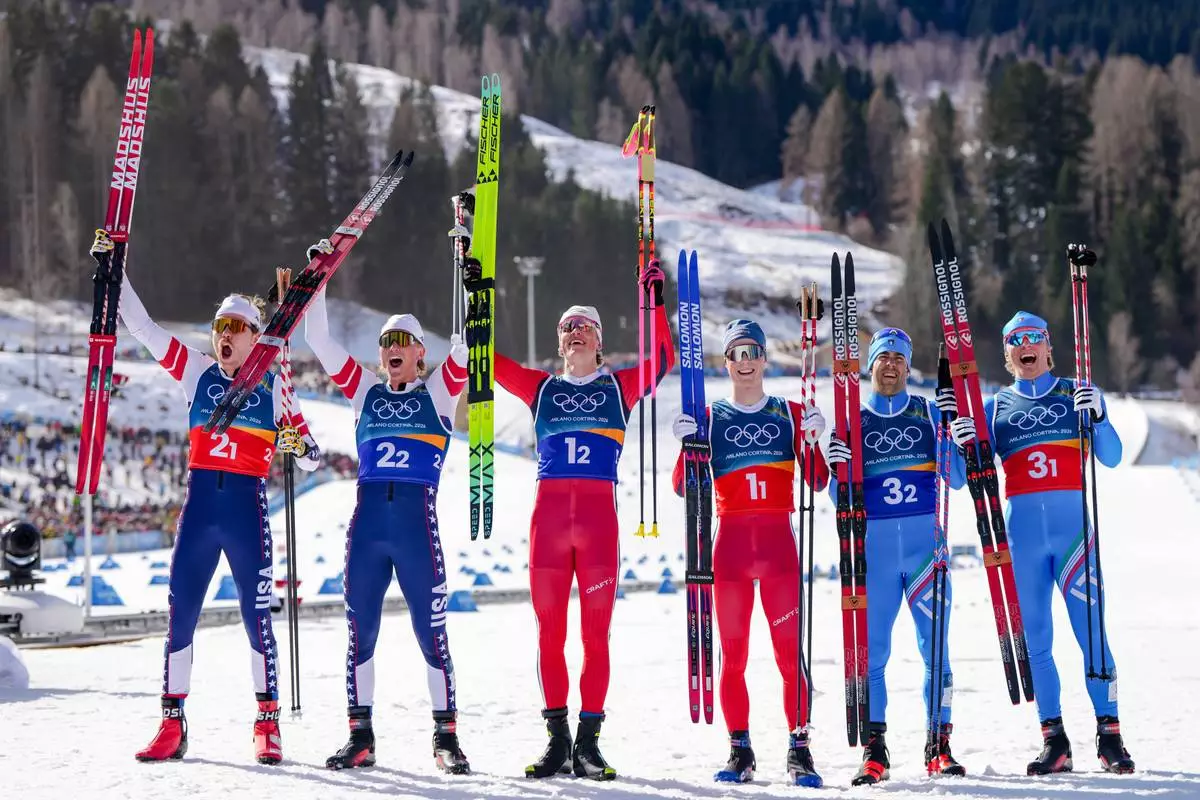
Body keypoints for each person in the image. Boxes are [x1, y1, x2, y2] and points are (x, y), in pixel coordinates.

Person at [89, 229, 321, 765]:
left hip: (245, 513)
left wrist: (296, 441)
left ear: (255, 337)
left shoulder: (273, 388)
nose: (225, 334)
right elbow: (142, 326)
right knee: (181, 614)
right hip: (199, 514)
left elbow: (310, 457)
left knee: (255, 616)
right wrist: (115, 268)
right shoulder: (196, 372)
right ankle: (172, 721)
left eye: (237, 327)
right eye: (220, 326)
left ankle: (267, 721)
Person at [463, 257, 673, 781]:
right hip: (548, 529)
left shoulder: (619, 388)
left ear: (599, 341)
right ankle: (557, 740)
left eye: (585, 328)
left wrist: (655, 302)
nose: (576, 334)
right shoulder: (542, 390)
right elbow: (484, 357)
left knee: (595, 636)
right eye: (568, 328)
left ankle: (589, 743)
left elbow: (664, 357)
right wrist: (476, 299)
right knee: (549, 635)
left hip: (599, 527)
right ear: (560, 343)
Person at [301, 238, 471, 774]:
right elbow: (318, 337)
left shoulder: (439, 393)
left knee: (431, 633)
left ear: (421, 351)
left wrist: (467, 265)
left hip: (417, 526)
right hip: (369, 526)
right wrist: (320, 276)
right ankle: (361, 736)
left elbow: (467, 343)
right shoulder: (364, 391)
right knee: (361, 633)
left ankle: (446, 738)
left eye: (403, 341)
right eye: (385, 341)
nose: (392, 348)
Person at [948, 311, 1134, 776]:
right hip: (1022, 542)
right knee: (1036, 643)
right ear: (1008, 355)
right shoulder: (994, 407)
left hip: (1074, 540)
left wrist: (1101, 416)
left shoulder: (1076, 394)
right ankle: (1055, 740)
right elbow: (957, 479)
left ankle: (1109, 735)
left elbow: (1110, 457)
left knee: (1092, 636)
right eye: (1016, 341)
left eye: (1034, 339)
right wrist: (959, 442)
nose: (1026, 348)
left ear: (1049, 347)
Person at [669, 319, 829, 787]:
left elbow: (817, 481)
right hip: (731, 550)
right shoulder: (712, 418)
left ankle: (799, 748)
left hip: (780, 548)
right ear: (726, 361)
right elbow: (683, 487)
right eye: (735, 353)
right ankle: (740, 749)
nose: (744, 362)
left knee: (787, 655)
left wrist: (815, 440)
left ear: (763, 358)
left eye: (752, 352)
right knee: (733, 655)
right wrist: (687, 446)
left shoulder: (790, 411)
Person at [825, 327, 968, 785]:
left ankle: (938, 745)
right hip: (875, 556)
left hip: (927, 553)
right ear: (871, 365)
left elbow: (959, 480)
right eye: (883, 356)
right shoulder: (854, 420)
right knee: (872, 656)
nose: (890, 365)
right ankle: (875, 749)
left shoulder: (929, 413)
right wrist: (835, 464)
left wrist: (955, 437)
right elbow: (837, 496)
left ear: (908, 366)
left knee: (937, 653)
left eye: (898, 358)